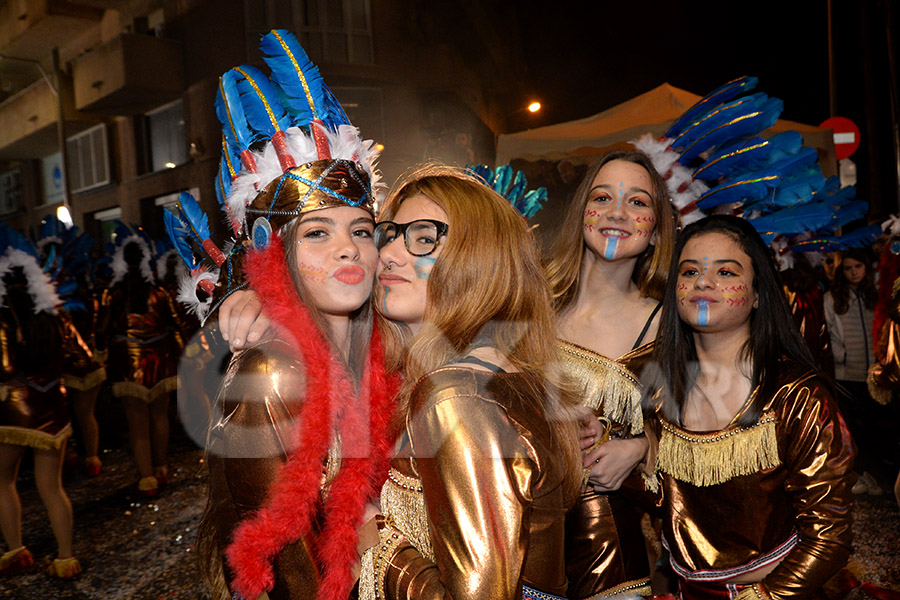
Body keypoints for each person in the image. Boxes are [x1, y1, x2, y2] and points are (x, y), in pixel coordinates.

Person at [357, 165, 584, 599]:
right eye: (388, 233)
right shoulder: (505, 376)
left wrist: (376, 543)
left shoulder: (455, 396)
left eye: (424, 239)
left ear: (478, 259)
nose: (388, 253)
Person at [642, 215, 855, 600]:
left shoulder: (796, 395)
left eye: (726, 272)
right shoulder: (659, 392)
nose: (703, 282)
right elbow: (670, 505)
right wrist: (629, 454)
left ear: (757, 294)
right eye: (689, 271)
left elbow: (830, 536)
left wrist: (764, 596)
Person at [543, 149, 677, 598]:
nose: (617, 213)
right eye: (603, 197)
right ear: (583, 212)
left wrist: (640, 448)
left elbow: (707, 441)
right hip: (512, 543)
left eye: (638, 202)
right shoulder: (529, 301)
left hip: (609, 563)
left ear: (657, 231)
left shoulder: (668, 327)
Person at [0, 255, 86, 579]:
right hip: (53, 407)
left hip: (14, 411)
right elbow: (73, 354)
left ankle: (15, 551)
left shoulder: (5, 319)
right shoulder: (53, 315)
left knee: (3, 482)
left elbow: (5, 368)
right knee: (52, 488)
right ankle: (66, 558)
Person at [95, 234, 186, 496]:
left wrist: (100, 354)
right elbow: (176, 323)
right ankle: (161, 467)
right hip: (161, 360)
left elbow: (101, 329)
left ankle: (146, 478)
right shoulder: (159, 292)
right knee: (160, 417)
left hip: (128, 364)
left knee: (137, 424)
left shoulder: (113, 294)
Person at [823, 248, 882, 495]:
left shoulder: (874, 295)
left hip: (873, 373)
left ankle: (872, 475)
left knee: (873, 427)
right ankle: (856, 474)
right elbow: (829, 330)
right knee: (852, 428)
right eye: (848, 268)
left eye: (857, 266)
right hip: (847, 373)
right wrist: (840, 354)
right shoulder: (833, 297)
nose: (853, 272)